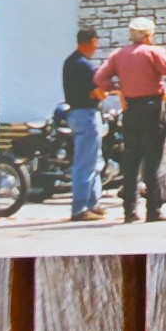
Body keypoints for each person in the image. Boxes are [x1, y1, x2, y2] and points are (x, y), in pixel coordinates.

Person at [94, 17, 166, 223]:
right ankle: (153, 210)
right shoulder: (152, 52)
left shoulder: (118, 54)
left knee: (132, 159)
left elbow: (100, 78)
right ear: (147, 35)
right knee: (152, 159)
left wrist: (119, 90)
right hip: (152, 107)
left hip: (131, 108)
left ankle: (129, 211)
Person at [62, 28, 108, 222]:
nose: (97, 47)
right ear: (91, 42)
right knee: (86, 163)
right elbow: (101, 92)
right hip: (87, 115)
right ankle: (80, 208)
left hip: (74, 113)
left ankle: (93, 203)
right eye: (96, 42)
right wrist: (100, 93)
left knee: (93, 160)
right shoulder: (86, 66)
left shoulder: (70, 62)